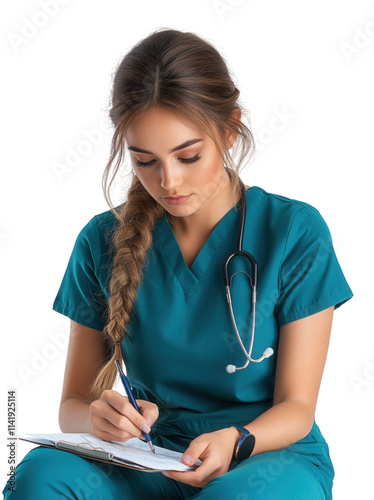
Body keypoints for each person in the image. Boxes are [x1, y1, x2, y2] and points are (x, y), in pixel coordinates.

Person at [3, 28, 354, 500]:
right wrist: (99, 417)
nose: (168, 181)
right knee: (41, 476)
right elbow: (72, 404)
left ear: (230, 128)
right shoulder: (100, 242)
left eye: (188, 156)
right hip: (151, 455)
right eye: (144, 161)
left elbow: (296, 407)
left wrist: (237, 440)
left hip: (264, 456)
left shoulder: (293, 231)